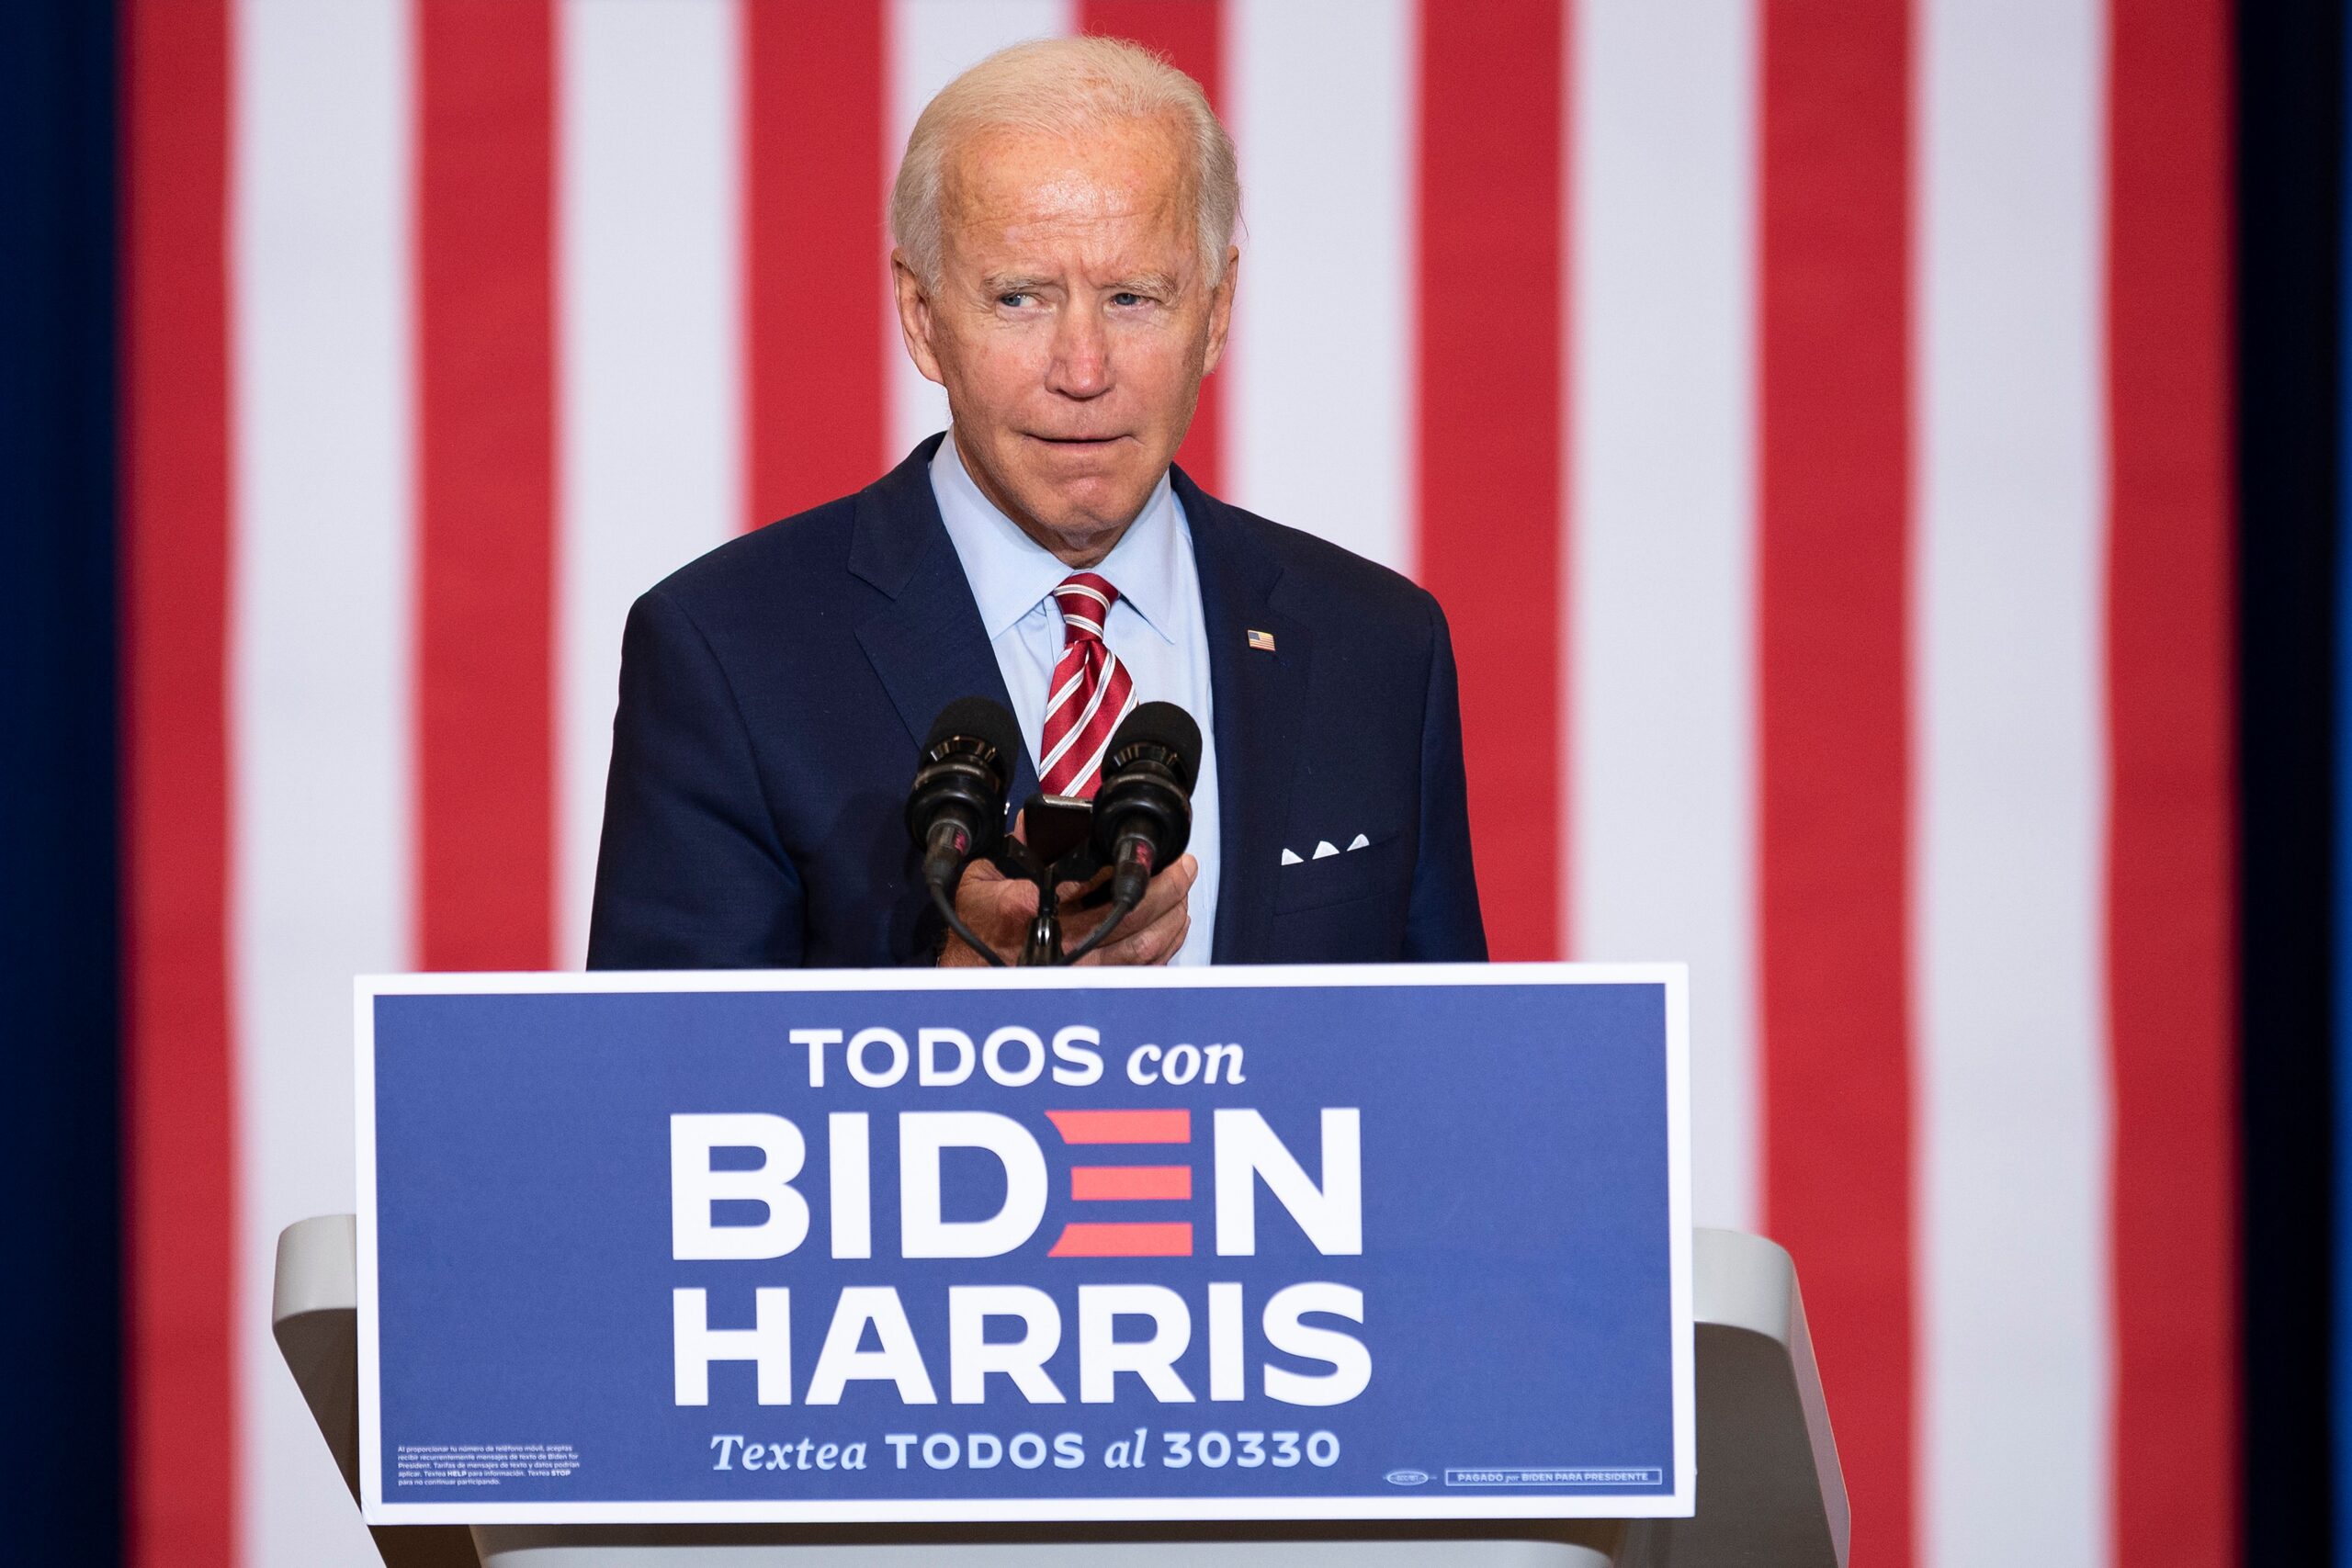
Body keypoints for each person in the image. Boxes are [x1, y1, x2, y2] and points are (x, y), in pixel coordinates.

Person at [586, 36, 1483, 970]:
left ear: (1215, 313)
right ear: (923, 316)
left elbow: (1446, 1072)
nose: (1083, 370)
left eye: (1133, 297)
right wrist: (947, 1009)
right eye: (1020, 298)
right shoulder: (727, 649)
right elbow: (660, 1087)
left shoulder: (1375, 646)